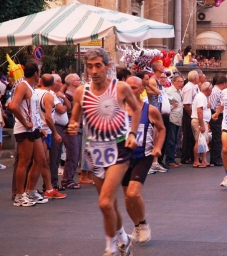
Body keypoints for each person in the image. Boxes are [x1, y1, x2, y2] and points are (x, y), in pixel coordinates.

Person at [67, 48, 140, 256]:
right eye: (90, 66)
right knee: (110, 204)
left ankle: (110, 248)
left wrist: (133, 133)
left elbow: (135, 110)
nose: (94, 70)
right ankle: (124, 239)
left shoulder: (121, 88)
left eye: (98, 65)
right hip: (94, 152)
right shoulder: (82, 92)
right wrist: (73, 126)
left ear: (107, 67)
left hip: (119, 149)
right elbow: (75, 118)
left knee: (104, 202)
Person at [122, 76, 166, 244]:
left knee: (133, 193)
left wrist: (158, 146)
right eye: (128, 86)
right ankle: (137, 225)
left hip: (143, 156)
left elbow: (161, 129)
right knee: (127, 197)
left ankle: (144, 223)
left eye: (134, 87)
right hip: (123, 157)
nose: (131, 90)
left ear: (142, 90)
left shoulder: (150, 110)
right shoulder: (118, 109)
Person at [9, 60, 53, 206]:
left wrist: (38, 127)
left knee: (40, 159)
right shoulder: (23, 85)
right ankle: (19, 195)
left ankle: (31, 191)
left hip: (33, 129)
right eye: (39, 71)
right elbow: (13, 106)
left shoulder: (30, 86)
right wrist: (25, 122)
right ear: (36, 73)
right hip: (25, 129)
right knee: (24, 162)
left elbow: (32, 110)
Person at [49, 74, 72, 190]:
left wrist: (63, 97)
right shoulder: (51, 95)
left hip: (60, 127)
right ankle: (51, 184)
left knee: (57, 157)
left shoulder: (59, 95)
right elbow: (62, 109)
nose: (61, 84)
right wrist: (64, 103)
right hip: (55, 126)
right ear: (53, 84)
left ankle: (54, 183)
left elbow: (69, 106)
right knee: (53, 157)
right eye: (59, 82)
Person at [191, 82, 213, 168]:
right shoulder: (201, 97)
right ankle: (196, 161)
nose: (211, 91)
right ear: (208, 89)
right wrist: (202, 125)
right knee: (199, 140)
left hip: (202, 121)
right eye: (211, 90)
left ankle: (204, 160)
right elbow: (199, 111)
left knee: (204, 141)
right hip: (200, 121)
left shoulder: (202, 97)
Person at [164, 74, 184, 168]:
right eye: (179, 81)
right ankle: (169, 160)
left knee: (176, 140)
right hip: (172, 118)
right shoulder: (169, 91)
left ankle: (172, 159)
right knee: (171, 140)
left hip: (178, 118)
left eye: (182, 81)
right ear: (173, 82)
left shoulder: (179, 91)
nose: (181, 83)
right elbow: (166, 105)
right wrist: (172, 106)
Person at [181, 70, 199, 164]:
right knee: (188, 136)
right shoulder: (189, 88)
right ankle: (185, 156)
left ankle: (191, 156)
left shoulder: (193, 87)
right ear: (195, 78)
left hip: (192, 112)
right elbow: (186, 104)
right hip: (189, 113)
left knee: (192, 136)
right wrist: (191, 115)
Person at [208, 76, 227, 166]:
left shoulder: (218, 91)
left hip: (218, 114)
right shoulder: (215, 92)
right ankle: (215, 159)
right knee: (217, 137)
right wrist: (215, 114)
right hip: (215, 115)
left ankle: (216, 157)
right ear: (224, 84)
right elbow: (212, 106)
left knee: (218, 137)